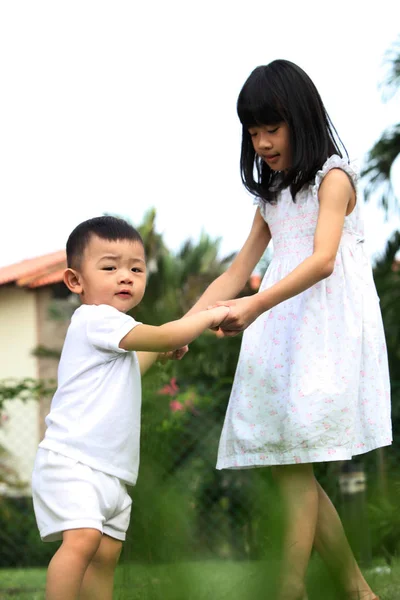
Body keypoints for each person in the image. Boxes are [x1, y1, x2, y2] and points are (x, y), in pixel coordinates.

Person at [183, 60, 391, 600]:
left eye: (270, 129)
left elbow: (322, 260)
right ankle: (356, 591)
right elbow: (234, 271)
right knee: (288, 466)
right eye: (253, 133)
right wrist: (182, 327)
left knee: (293, 463)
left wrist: (254, 307)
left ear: (299, 119)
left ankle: (290, 587)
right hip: (281, 333)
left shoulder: (334, 177)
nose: (262, 143)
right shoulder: (272, 194)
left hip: (322, 331)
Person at [31, 215, 229, 600]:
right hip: (73, 461)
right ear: (76, 281)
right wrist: (208, 317)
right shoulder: (95, 319)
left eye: (136, 269)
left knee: (106, 555)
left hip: (112, 473)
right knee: (83, 541)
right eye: (110, 267)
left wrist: (163, 349)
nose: (125, 276)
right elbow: (163, 333)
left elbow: (137, 364)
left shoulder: (114, 334)